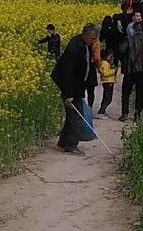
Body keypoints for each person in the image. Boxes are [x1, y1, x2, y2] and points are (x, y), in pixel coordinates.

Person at [50, 23, 99, 154]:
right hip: (71, 87)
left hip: (77, 85)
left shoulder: (83, 44)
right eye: (93, 38)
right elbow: (67, 73)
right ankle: (71, 146)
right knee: (77, 116)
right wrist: (68, 95)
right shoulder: (74, 49)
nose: (95, 41)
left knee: (72, 116)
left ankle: (63, 141)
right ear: (86, 35)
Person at [97, 50, 117, 117]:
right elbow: (105, 73)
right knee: (108, 99)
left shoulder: (106, 63)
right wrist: (113, 71)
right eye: (110, 56)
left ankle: (103, 110)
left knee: (106, 97)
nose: (111, 58)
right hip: (107, 82)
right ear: (106, 56)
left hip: (109, 82)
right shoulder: (104, 63)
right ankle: (101, 112)